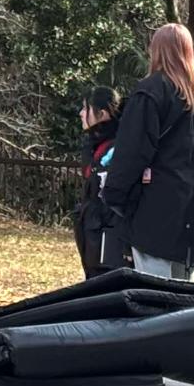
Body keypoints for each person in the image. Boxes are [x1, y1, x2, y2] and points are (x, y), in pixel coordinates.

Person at [105, 24, 194, 285]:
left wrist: (115, 195)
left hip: (154, 207)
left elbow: (132, 150)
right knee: (185, 292)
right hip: (192, 209)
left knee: (153, 289)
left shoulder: (151, 91)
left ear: (156, 51)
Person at [73, 86, 127, 278]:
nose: (81, 114)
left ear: (102, 113)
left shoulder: (117, 148)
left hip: (108, 242)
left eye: (86, 108)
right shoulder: (93, 146)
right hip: (92, 235)